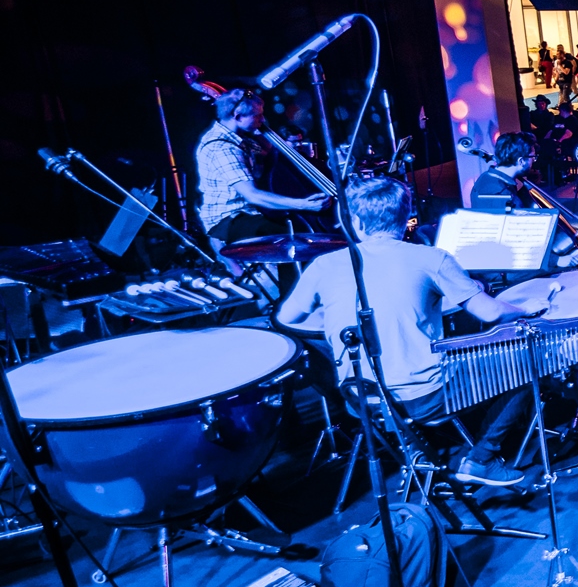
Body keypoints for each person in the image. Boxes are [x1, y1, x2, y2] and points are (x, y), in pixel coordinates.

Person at [278, 175, 536, 486]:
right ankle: (481, 460)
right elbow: (491, 312)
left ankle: (413, 447)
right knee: (528, 363)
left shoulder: (324, 265)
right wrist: (525, 308)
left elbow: (288, 318)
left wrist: (341, 320)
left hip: (359, 397)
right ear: (406, 217)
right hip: (423, 397)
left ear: (356, 221)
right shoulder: (430, 258)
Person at [194, 88, 330, 249]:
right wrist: (302, 204)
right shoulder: (223, 148)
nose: (262, 119)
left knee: (299, 233)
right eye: (257, 116)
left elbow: (270, 155)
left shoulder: (242, 138)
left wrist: (263, 133)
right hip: (230, 218)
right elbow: (252, 195)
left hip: (253, 212)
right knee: (293, 240)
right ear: (238, 117)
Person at [469, 132, 538, 212]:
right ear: (521, 161)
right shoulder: (503, 194)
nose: (533, 161)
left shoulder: (485, 177)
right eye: (533, 158)